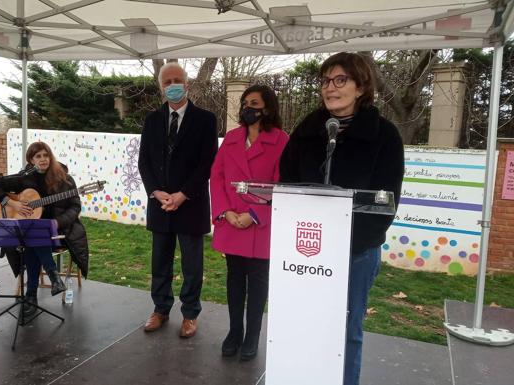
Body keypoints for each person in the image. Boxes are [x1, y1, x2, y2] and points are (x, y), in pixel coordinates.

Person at [279, 52, 404, 385]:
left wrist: (343, 243)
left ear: (361, 87)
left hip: (355, 254)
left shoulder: (384, 135)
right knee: (307, 325)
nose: (330, 88)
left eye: (340, 80)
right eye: (325, 81)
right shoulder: (307, 129)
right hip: (307, 251)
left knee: (347, 330)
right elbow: (286, 183)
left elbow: (386, 201)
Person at [138, 62, 218, 338]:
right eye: (166, 81)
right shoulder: (151, 121)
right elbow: (144, 162)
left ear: (187, 84)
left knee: (192, 265)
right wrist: (157, 192)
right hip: (160, 204)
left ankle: (190, 314)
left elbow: (207, 163)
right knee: (160, 262)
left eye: (177, 80)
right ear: (161, 87)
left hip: (191, 204)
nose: (172, 85)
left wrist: (183, 194)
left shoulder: (206, 120)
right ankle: (160, 309)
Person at [210, 84, 289, 361]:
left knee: (257, 282)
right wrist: (224, 211)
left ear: (267, 107)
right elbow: (216, 177)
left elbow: (284, 185)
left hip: (260, 225)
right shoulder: (231, 138)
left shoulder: (281, 141)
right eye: (244, 102)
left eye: (253, 103)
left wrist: (255, 215)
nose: (247, 107)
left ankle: (252, 334)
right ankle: (234, 331)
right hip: (231, 221)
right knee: (234, 279)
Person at [0, 141, 89, 317]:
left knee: (33, 237)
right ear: (31, 160)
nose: (43, 159)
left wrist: (58, 222)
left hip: (60, 231)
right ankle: (53, 278)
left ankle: (31, 296)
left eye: (45, 155)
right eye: (38, 156)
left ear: (50, 156)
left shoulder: (65, 179)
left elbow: (75, 208)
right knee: (32, 236)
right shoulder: (24, 178)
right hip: (33, 233)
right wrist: (13, 204)